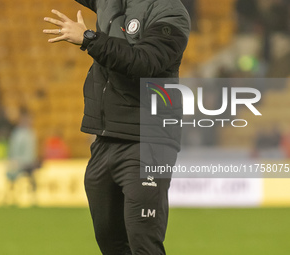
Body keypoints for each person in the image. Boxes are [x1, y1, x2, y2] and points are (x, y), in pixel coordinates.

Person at [43, 1, 190, 254]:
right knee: (110, 242)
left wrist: (89, 38)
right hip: (105, 139)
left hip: (147, 142)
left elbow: (144, 62)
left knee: (143, 242)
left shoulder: (170, 12)